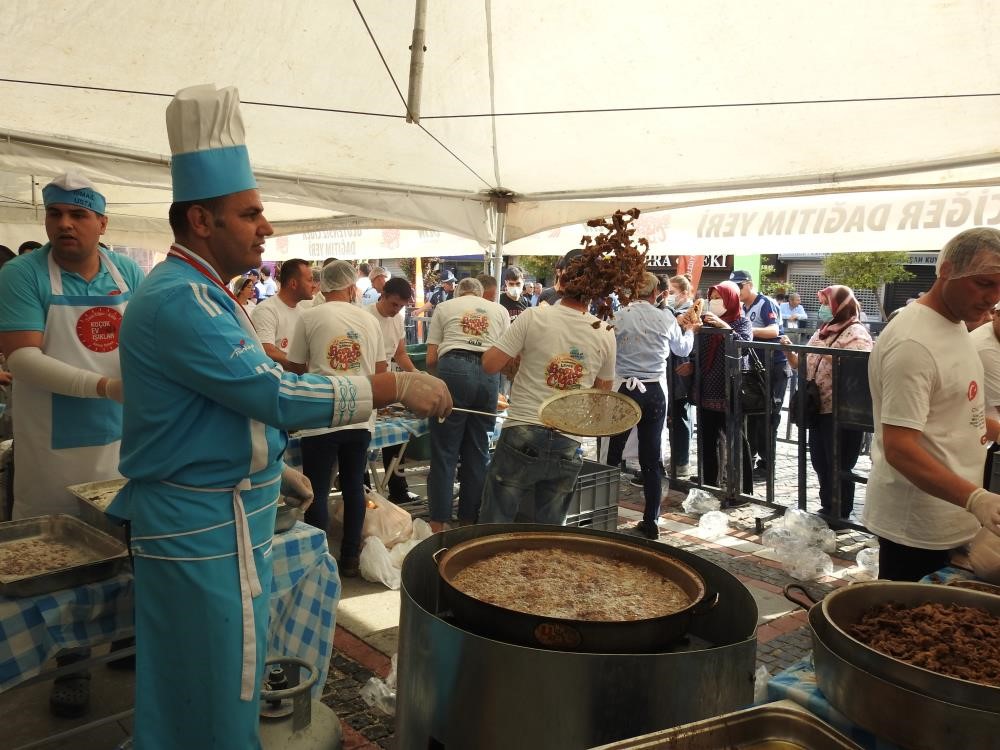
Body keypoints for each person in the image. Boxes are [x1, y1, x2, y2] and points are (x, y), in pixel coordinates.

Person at [110, 83, 451, 750]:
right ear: (203, 221)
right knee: (212, 690)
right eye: (252, 213)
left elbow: (234, 400)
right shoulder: (182, 299)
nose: (266, 227)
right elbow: (274, 393)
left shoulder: (204, 294)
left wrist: (272, 464)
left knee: (210, 684)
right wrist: (390, 385)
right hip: (200, 527)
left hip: (223, 516)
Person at [0, 172, 143, 717]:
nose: (65, 223)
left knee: (127, 545)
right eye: (55, 213)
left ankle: (125, 641)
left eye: (78, 214)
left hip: (124, 436)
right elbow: (21, 358)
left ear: (102, 224)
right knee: (65, 559)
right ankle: (70, 662)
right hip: (53, 445)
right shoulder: (22, 274)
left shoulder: (126, 271)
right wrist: (103, 385)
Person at [864, 227, 1000, 582]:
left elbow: (958, 415)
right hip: (915, 523)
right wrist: (976, 499)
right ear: (947, 270)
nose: (993, 298)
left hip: (947, 514)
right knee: (902, 626)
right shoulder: (913, 341)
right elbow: (900, 449)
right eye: (984, 283)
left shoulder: (954, 323)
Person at [480, 248, 617, 524]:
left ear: (560, 278)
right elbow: (603, 395)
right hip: (569, 437)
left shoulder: (533, 317)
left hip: (523, 429)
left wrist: (517, 361)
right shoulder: (604, 332)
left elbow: (490, 364)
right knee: (551, 532)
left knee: (495, 523)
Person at [286, 261, 386, 576]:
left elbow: (295, 368)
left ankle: (317, 560)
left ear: (324, 285)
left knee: (316, 486)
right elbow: (381, 372)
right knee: (354, 486)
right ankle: (350, 558)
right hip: (360, 413)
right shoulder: (369, 320)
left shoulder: (309, 316)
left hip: (321, 413)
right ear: (350, 287)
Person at [606, 272, 695, 539]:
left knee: (612, 454)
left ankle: (603, 509)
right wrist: (690, 329)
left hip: (625, 389)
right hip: (654, 391)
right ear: (656, 292)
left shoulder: (618, 316)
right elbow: (682, 349)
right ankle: (651, 519)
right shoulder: (665, 317)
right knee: (651, 457)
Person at [425, 277, 510, 531]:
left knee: (445, 452)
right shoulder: (500, 311)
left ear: (458, 293)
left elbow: (430, 359)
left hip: (453, 369)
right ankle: (467, 523)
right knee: (478, 450)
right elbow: (506, 356)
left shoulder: (445, 307)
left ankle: (438, 525)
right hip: (488, 375)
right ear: (482, 293)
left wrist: (441, 382)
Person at [782, 286, 873, 519]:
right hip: (819, 408)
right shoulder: (823, 331)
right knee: (821, 461)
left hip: (842, 412)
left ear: (841, 306)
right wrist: (789, 353)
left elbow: (859, 373)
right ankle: (827, 507)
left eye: (826, 303)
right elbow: (803, 363)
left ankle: (841, 512)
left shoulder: (856, 334)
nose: (823, 309)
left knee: (839, 463)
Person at [689, 281, 754, 494]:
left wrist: (723, 327)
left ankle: (742, 490)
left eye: (720, 298)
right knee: (708, 441)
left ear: (731, 299)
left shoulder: (741, 322)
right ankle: (710, 485)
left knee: (737, 440)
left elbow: (743, 348)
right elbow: (699, 352)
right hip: (707, 389)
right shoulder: (706, 322)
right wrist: (690, 363)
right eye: (713, 297)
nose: (715, 302)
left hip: (730, 390)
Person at [367, 276, 422, 503]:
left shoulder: (398, 319)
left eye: (400, 306)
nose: (396, 309)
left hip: (388, 382)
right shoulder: (366, 316)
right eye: (393, 304)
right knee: (364, 438)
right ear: (383, 295)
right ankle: (365, 491)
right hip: (368, 381)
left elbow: (400, 354)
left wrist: (416, 374)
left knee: (396, 439)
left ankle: (398, 489)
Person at [731, 270, 788, 479]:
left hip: (774, 366)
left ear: (749, 284)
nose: (737, 290)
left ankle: (767, 465)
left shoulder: (765, 303)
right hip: (756, 366)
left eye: (739, 286)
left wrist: (747, 331)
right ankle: (754, 460)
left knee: (768, 416)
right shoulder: (743, 307)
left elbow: (774, 331)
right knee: (756, 415)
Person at [250, 257, 314, 369]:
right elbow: (267, 349)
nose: (313, 285)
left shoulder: (303, 313)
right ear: (293, 284)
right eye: (309, 280)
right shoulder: (266, 310)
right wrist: (302, 368)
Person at [666, 274, 695, 476]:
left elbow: (685, 325)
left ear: (684, 293)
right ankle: (677, 458)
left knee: (680, 416)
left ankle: (682, 461)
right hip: (671, 371)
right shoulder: (671, 311)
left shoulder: (690, 310)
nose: (668, 296)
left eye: (672, 292)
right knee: (673, 417)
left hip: (680, 370)